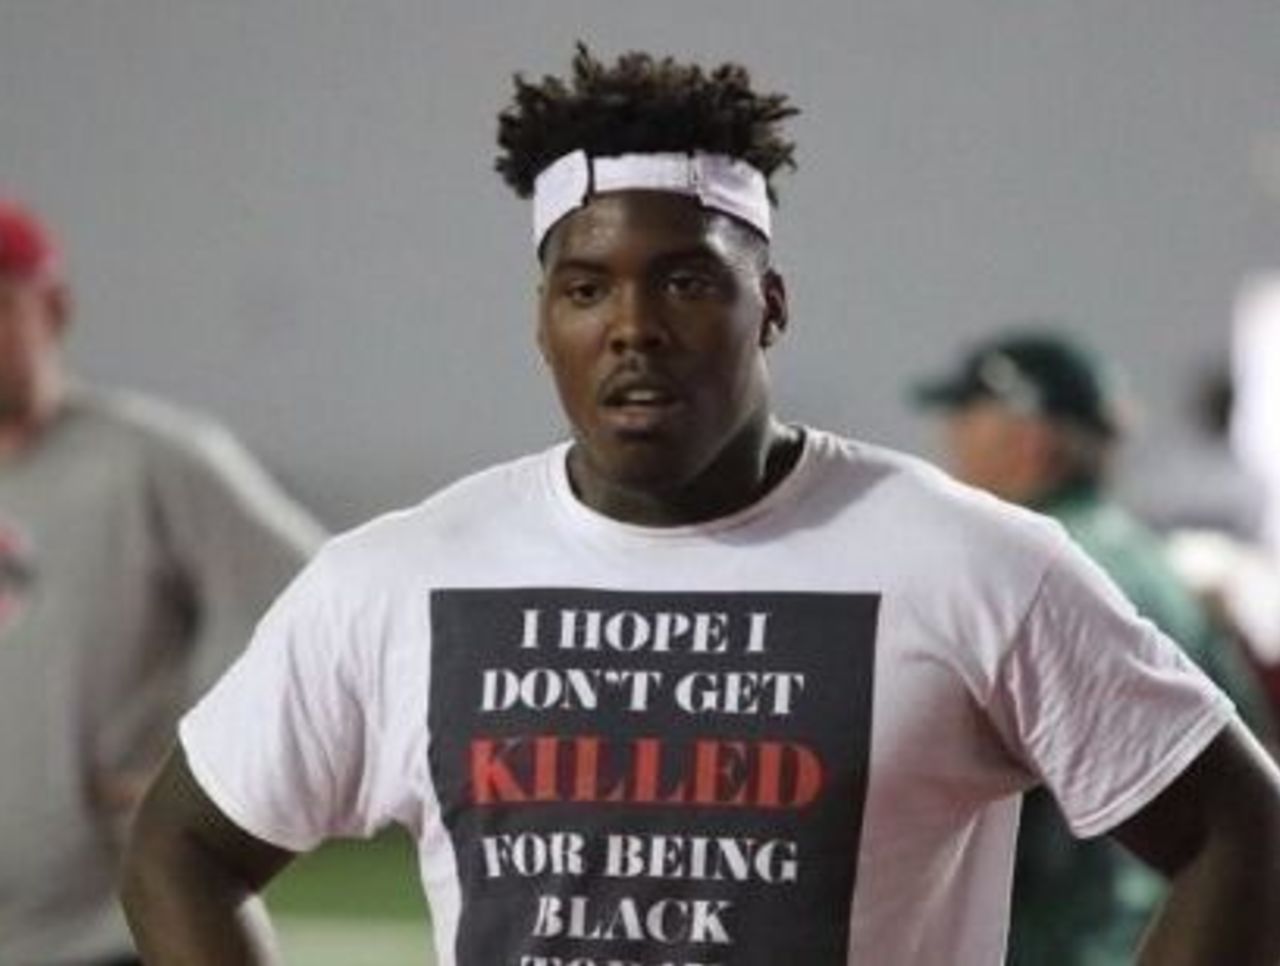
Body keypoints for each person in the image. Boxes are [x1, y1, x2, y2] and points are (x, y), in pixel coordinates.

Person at [122, 47, 1280, 966]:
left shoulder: (968, 564)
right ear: (542, 322)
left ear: (767, 304)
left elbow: (1242, 834)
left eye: (684, 281)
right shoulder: (395, 579)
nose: (633, 327)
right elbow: (179, 851)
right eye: (586, 288)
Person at [0, 196, 325, 966]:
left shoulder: (143, 461)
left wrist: (215, 757)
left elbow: (322, 601)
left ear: (53, 309)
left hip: (116, 926)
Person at [914, 327, 1274, 965]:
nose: (950, 441)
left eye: (968, 418)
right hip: (1166, 932)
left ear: (1030, 439)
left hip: (1058, 942)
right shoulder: (1156, 563)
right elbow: (1251, 753)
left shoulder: (1025, 572)